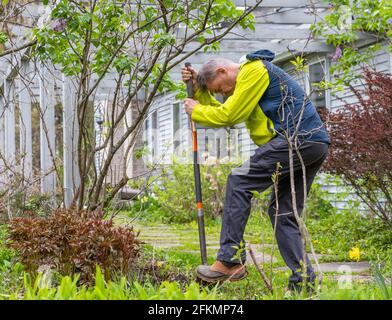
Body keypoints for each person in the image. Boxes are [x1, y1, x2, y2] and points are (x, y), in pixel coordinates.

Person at [181, 50, 330, 292]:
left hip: (294, 140)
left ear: (223, 71)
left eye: (220, 89)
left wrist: (196, 110)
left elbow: (228, 115)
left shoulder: (253, 69)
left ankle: (230, 260)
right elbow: (224, 110)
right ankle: (303, 283)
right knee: (283, 213)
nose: (224, 94)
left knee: (239, 179)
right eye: (218, 93)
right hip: (314, 144)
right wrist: (200, 88)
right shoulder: (247, 83)